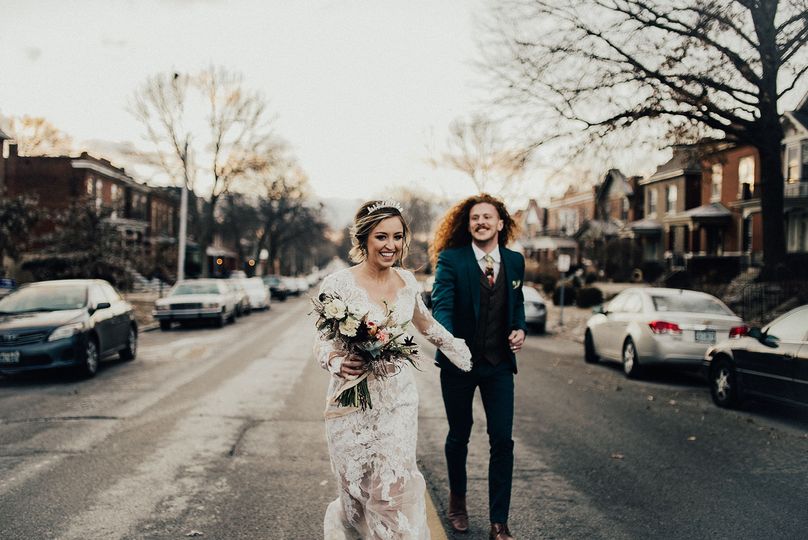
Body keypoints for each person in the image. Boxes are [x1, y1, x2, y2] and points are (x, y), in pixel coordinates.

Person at [314, 199, 472, 539]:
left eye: (398, 237)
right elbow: (322, 342)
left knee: (393, 490)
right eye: (382, 237)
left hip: (396, 400)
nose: (391, 246)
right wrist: (337, 361)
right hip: (351, 401)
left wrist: (459, 349)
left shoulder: (406, 281)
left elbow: (425, 323)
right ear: (364, 240)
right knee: (356, 494)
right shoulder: (337, 284)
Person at [430, 194, 526, 540]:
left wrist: (520, 329)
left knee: (502, 440)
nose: (481, 222)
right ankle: (458, 502)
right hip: (458, 363)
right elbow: (441, 302)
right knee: (459, 435)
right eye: (475, 218)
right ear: (467, 224)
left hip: (499, 364)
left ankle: (499, 523)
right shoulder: (452, 259)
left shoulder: (515, 262)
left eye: (488, 216)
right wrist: (449, 341)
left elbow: (517, 303)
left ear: (501, 223)